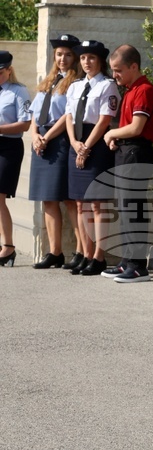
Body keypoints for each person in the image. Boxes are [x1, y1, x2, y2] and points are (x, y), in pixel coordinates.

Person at [101, 45, 153, 282]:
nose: (114, 74)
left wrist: (111, 133)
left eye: (118, 70)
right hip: (127, 151)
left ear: (134, 66)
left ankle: (138, 266)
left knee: (134, 208)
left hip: (137, 152)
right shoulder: (130, 89)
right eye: (113, 70)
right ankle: (127, 260)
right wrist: (117, 138)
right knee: (125, 207)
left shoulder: (144, 90)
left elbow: (137, 128)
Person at [64, 40, 120, 276]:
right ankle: (86, 254)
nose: (86, 62)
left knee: (97, 203)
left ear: (100, 61)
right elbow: (69, 116)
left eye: (92, 58)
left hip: (96, 144)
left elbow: (105, 120)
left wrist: (86, 147)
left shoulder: (107, 85)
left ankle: (98, 256)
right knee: (80, 203)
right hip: (77, 141)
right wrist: (74, 143)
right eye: (83, 58)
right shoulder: (75, 86)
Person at [29, 34, 84, 269]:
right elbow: (34, 113)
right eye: (59, 54)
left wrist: (47, 137)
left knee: (69, 199)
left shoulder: (75, 82)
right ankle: (55, 252)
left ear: (75, 58)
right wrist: (34, 135)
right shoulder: (48, 81)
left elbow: (67, 116)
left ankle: (81, 251)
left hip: (59, 140)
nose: (63, 59)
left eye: (68, 55)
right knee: (48, 199)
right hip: (41, 141)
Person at [0, 51, 31, 266]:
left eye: (0, 72)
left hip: (8, 147)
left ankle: (8, 246)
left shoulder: (18, 91)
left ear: (9, 70)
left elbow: (25, 123)